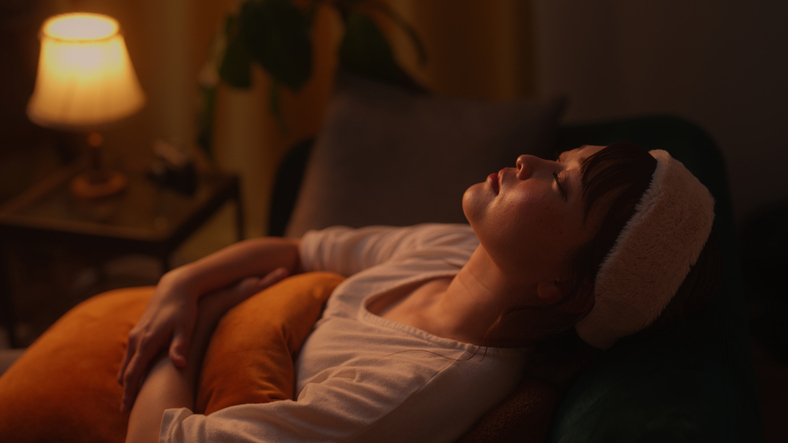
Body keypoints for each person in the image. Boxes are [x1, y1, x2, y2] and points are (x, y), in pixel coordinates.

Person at [119, 142, 720, 443]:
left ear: (565, 287)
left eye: (560, 184)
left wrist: (207, 316)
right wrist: (183, 282)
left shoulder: (419, 386)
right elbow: (300, 250)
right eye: (560, 158)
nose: (528, 159)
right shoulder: (449, 248)